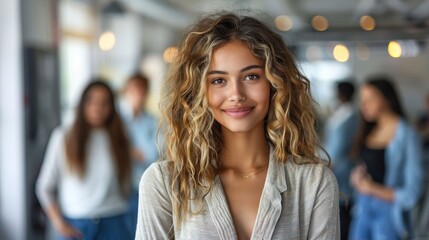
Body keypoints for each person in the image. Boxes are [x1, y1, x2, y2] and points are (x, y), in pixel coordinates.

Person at [136, 12, 339, 239]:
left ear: (275, 83)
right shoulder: (165, 182)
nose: (236, 95)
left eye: (251, 77)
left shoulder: (313, 182)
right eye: (218, 80)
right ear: (198, 91)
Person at [36, 80, 133, 240]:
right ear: (82, 105)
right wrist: (58, 223)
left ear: (112, 107)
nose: (98, 108)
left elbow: (128, 183)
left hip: (114, 222)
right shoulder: (63, 137)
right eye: (92, 101)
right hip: (76, 225)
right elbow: (44, 187)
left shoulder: (120, 138)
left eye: (104, 103)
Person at [349, 77, 424, 240]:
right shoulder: (368, 130)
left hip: (389, 215)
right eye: (362, 100)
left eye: (370, 99)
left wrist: (372, 189)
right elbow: (367, 167)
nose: (364, 105)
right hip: (361, 209)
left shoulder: (408, 135)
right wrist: (357, 178)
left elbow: (412, 193)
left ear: (386, 98)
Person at [119, 73, 160, 237]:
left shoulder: (152, 121)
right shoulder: (116, 120)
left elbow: (151, 154)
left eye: (142, 90)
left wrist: (125, 149)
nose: (138, 94)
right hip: (119, 187)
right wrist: (130, 151)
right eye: (134, 89)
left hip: (140, 185)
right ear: (126, 91)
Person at [324, 81, 358, 240]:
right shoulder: (341, 112)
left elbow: (340, 145)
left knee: (343, 205)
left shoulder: (351, 116)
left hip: (341, 167)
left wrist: (329, 163)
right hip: (335, 163)